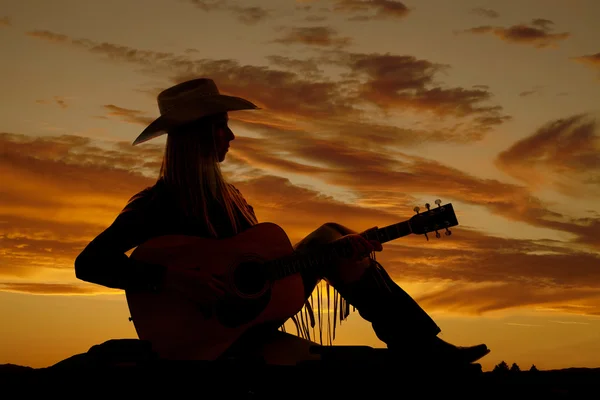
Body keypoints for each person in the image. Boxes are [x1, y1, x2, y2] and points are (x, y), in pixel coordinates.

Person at [74, 78, 489, 367]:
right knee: (331, 237)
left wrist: (341, 254)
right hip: (207, 331)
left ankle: (419, 345)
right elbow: (90, 263)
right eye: (223, 127)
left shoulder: (231, 197)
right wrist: (173, 279)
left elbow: (261, 268)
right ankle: (422, 347)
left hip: (253, 311)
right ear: (200, 134)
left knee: (334, 236)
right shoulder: (157, 201)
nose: (231, 138)